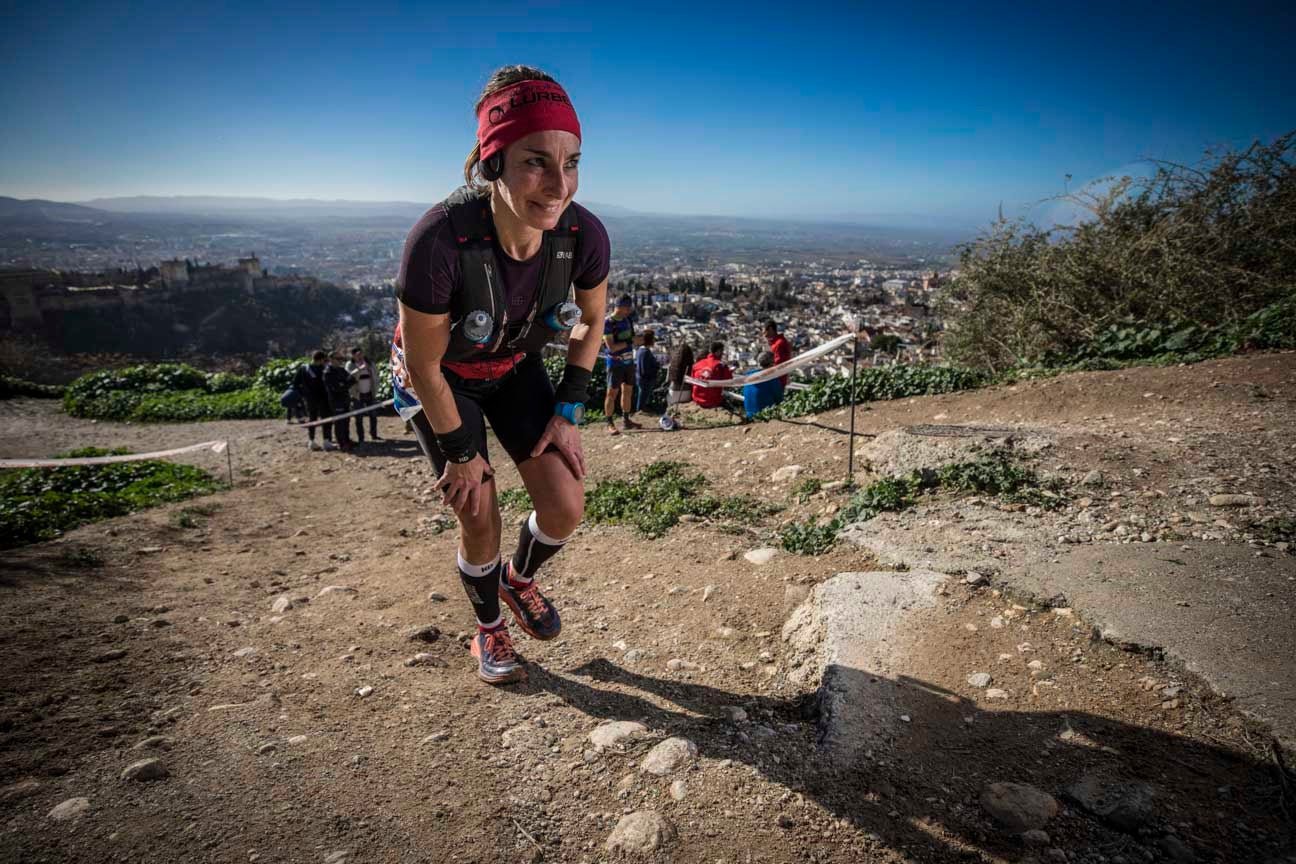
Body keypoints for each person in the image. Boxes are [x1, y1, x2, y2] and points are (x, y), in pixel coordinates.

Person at [391, 64, 610, 685]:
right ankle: (488, 628)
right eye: (535, 162)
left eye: (570, 163)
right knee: (478, 509)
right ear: (493, 163)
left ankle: (519, 580)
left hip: (513, 365)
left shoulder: (582, 235)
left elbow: (591, 323)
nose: (557, 184)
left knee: (566, 505)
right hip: (441, 379)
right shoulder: (440, 241)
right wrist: (462, 453)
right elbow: (424, 362)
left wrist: (567, 412)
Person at [602, 295, 640, 434]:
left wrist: (636, 340)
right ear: (620, 307)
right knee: (612, 393)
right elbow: (611, 347)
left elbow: (631, 338)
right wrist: (630, 341)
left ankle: (626, 420)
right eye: (627, 307)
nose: (629, 310)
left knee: (628, 391)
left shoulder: (628, 320)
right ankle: (609, 423)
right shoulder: (608, 323)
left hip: (629, 361)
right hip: (615, 362)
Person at [292, 350, 332, 451]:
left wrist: (304, 393)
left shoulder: (303, 368)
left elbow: (295, 383)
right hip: (323, 398)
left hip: (309, 399)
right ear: (322, 359)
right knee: (326, 419)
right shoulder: (324, 368)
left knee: (312, 419)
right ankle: (326, 442)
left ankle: (311, 441)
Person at [346, 347, 381, 443]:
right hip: (357, 395)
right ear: (353, 355)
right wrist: (359, 369)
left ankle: (374, 434)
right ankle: (361, 438)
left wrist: (369, 370)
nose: (360, 356)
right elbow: (349, 377)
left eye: (361, 354)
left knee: (373, 415)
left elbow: (376, 375)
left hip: (370, 393)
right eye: (357, 355)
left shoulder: (370, 363)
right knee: (359, 417)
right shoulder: (350, 365)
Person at [324, 351, 354, 452]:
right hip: (336, 401)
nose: (340, 361)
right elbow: (335, 388)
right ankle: (341, 443)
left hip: (345, 399)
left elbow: (352, 380)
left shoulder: (341, 370)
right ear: (331, 360)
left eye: (341, 359)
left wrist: (343, 384)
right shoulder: (328, 372)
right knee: (339, 422)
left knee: (346, 421)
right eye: (338, 359)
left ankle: (346, 439)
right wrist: (344, 384)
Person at [659, 343, 694, 430]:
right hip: (687, 394)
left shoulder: (672, 366)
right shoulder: (691, 366)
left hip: (673, 395)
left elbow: (667, 381)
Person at [690, 341, 733, 409]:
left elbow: (692, 380)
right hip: (713, 401)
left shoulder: (697, 364)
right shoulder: (721, 366)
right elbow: (729, 382)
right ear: (718, 352)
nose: (722, 354)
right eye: (722, 351)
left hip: (697, 398)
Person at [742, 350, 785, 417]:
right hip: (765, 415)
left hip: (749, 415)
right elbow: (779, 399)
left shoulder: (748, 377)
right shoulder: (770, 378)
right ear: (771, 363)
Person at [634, 329, 661, 414]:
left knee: (643, 396)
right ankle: (640, 411)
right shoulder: (645, 352)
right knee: (643, 397)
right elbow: (644, 369)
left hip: (643, 378)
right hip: (645, 379)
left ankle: (642, 410)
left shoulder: (641, 350)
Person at [763, 319, 792, 387]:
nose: (764, 334)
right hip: (777, 378)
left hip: (777, 379)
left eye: (764, 331)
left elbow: (778, 362)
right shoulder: (777, 342)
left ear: (770, 329)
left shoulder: (779, 343)